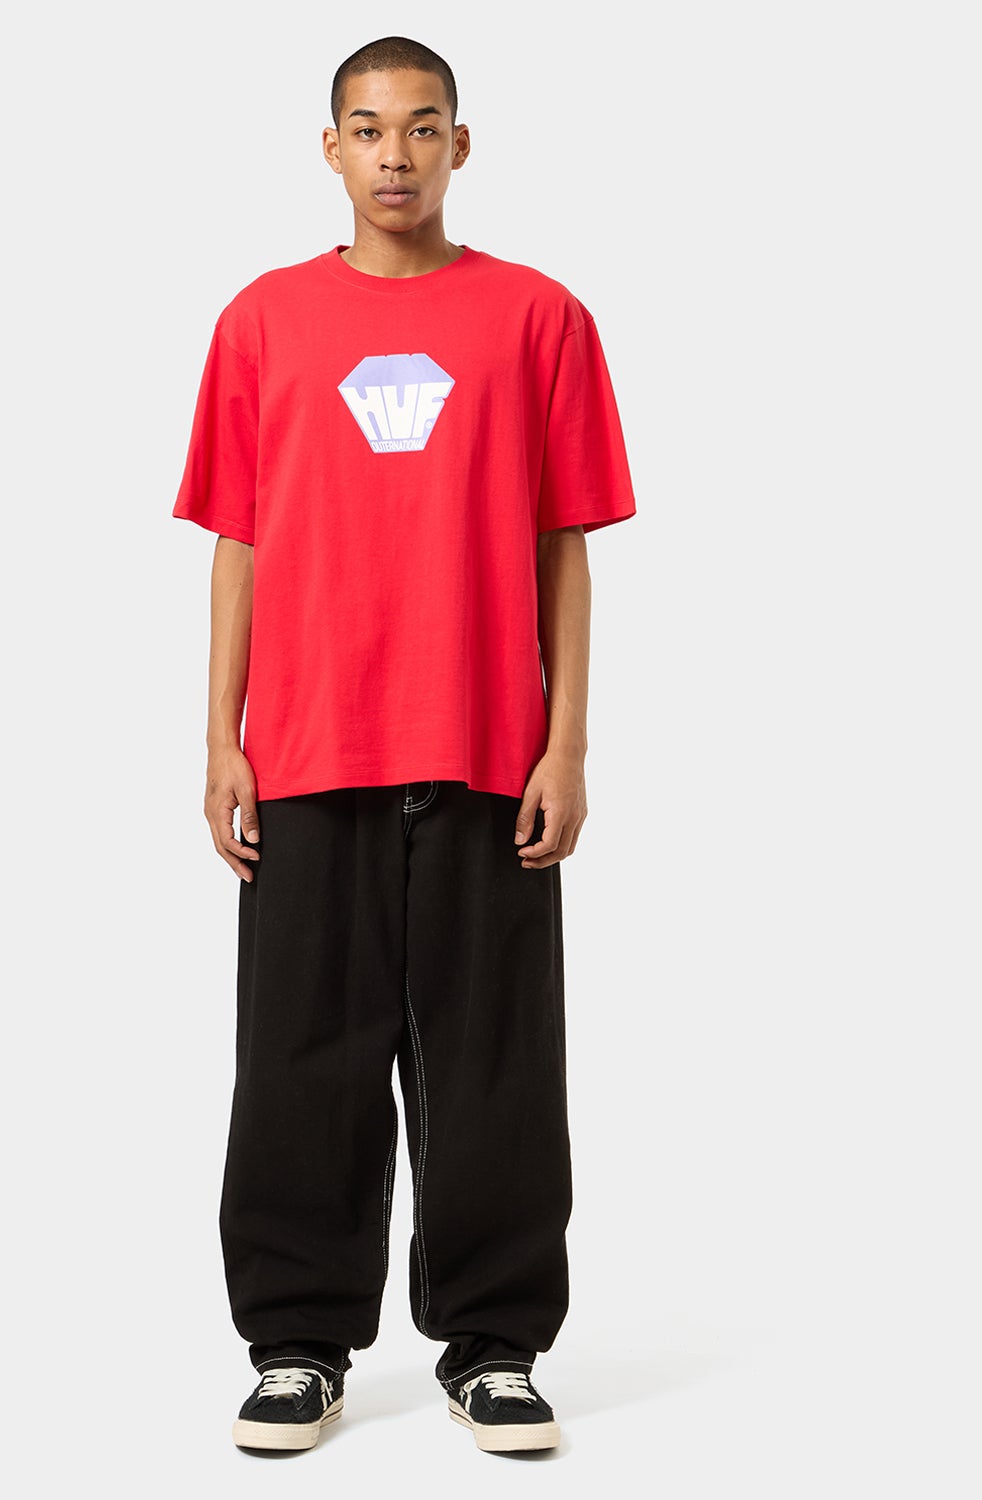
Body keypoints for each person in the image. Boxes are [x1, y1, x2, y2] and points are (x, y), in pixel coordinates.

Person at [172, 35, 637, 1454]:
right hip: (309, 747)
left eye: (422, 127)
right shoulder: (262, 322)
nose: (395, 154)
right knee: (300, 1057)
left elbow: (565, 545)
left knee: (493, 1057)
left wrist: (566, 742)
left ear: (460, 145)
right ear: (331, 150)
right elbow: (239, 542)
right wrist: (219, 739)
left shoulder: (540, 319)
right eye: (368, 129)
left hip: (486, 747)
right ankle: (296, 1344)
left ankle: (495, 1346)